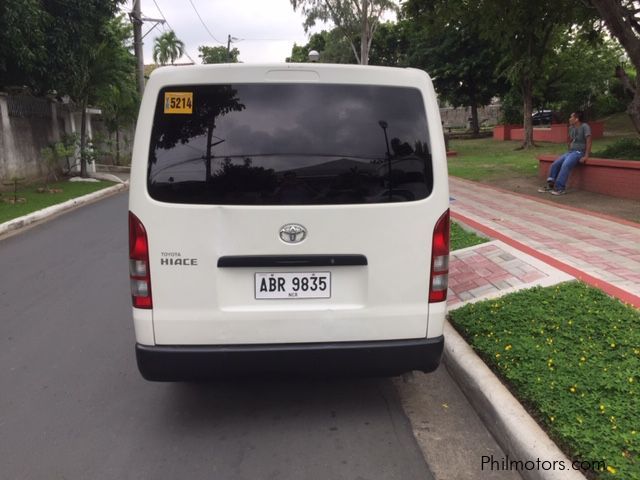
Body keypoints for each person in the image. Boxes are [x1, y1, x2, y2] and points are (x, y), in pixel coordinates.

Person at [538, 111, 591, 195]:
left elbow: (589, 141)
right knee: (555, 164)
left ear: (576, 119)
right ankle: (550, 186)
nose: (569, 119)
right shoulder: (571, 128)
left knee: (565, 165)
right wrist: (569, 149)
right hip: (571, 152)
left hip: (579, 152)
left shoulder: (585, 126)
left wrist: (586, 155)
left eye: (571, 117)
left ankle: (560, 188)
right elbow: (569, 140)